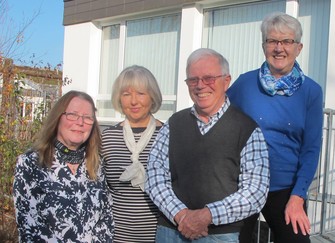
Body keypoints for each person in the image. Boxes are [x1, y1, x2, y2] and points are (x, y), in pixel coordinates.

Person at [145, 48, 270, 243]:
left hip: (220, 235)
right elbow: (155, 175)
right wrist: (181, 215)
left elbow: (255, 192)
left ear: (226, 81)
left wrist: (206, 216)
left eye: (209, 78)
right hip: (171, 230)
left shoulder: (247, 128)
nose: (200, 86)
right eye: (193, 80)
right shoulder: (174, 123)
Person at [227, 12, 323, 243]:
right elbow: (217, 117)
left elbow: (311, 149)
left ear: (298, 48)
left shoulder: (311, 91)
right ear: (264, 46)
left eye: (287, 41)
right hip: (244, 185)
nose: (279, 48)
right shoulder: (244, 84)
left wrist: (298, 197)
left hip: (285, 189)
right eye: (272, 41)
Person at [13, 90, 114, 242]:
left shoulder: (96, 165)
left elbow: (106, 218)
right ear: (58, 118)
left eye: (87, 118)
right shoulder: (31, 163)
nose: (80, 122)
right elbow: (29, 226)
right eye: (72, 115)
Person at [102, 65, 163, 242]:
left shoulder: (168, 135)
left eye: (141, 93)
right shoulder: (107, 138)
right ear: (119, 99)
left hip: (159, 236)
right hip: (116, 236)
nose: (134, 101)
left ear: (152, 96)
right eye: (127, 94)